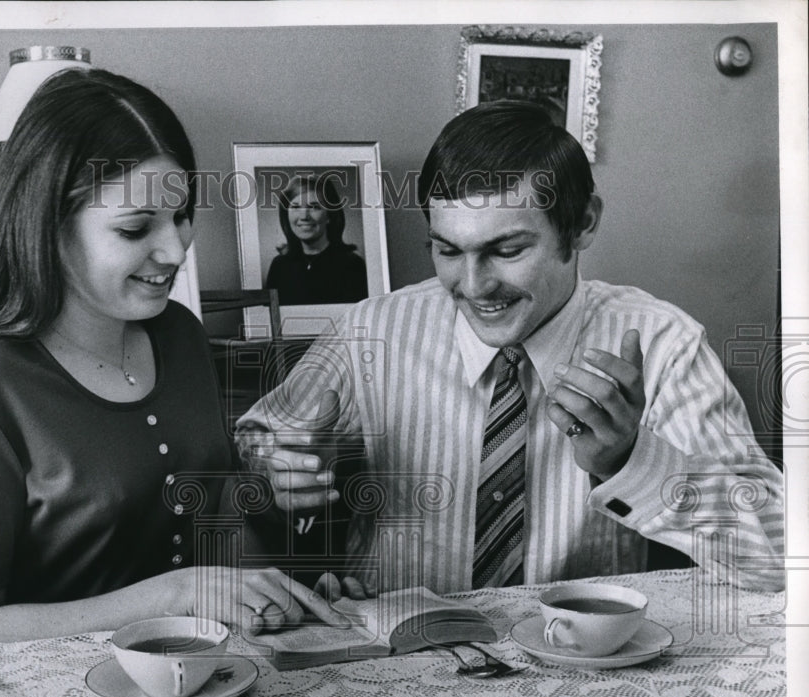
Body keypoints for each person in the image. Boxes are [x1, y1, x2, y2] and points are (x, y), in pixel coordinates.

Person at [237, 100, 784, 596]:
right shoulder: (371, 331)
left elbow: (782, 556)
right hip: (394, 660)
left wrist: (630, 462)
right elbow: (257, 441)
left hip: (577, 671)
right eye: (447, 250)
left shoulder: (665, 344)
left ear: (584, 223)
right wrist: (278, 469)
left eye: (507, 249)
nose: (473, 286)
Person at [0, 67, 347, 651]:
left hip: (205, 684)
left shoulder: (178, 335)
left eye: (181, 216)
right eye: (135, 228)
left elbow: (215, 533)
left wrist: (274, 515)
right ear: (47, 226)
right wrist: (174, 595)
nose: (176, 249)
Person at [263, 173, 368, 305]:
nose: (304, 216)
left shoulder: (352, 265)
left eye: (314, 207)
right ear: (286, 215)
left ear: (330, 215)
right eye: (295, 207)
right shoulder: (279, 266)